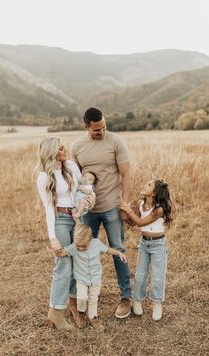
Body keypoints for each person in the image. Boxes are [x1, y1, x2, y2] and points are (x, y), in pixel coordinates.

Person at [71, 107, 132, 319]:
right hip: (88, 211)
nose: (101, 132)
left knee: (118, 250)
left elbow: (125, 175)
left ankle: (126, 297)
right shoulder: (77, 146)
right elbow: (76, 181)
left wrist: (125, 205)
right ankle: (82, 298)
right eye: (97, 129)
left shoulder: (116, 142)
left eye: (104, 127)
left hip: (112, 208)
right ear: (86, 127)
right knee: (83, 252)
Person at [35, 136, 83, 330]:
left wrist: (84, 209)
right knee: (63, 264)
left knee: (77, 261)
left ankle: (72, 304)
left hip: (77, 218)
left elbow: (82, 191)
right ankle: (56, 312)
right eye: (61, 148)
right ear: (53, 151)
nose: (65, 149)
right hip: (60, 220)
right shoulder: (44, 177)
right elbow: (48, 208)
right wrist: (52, 237)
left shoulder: (71, 166)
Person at [55, 222, 127, 330]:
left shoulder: (96, 243)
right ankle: (81, 313)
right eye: (78, 246)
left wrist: (119, 253)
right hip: (81, 278)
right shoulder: (75, 247)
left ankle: (93, 317)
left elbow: (107, 250)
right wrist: (58, 251)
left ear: (90, 239)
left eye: (83, 246)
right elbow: (64, 252)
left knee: (94, 298)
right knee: (82, 297)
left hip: (95, 278)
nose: (81, 248)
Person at [119, 179, 172, 321]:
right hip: (144, 244)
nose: (144, 185)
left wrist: (128, 210)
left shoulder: (159, 209)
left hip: (158, 245)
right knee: (140, 274)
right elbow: (134, 221)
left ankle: (157, 303)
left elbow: (142, 222)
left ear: (155, 193)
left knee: (157, 275)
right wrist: (125, 213)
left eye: (149, 185)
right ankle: (137, 300)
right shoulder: (141, 204)